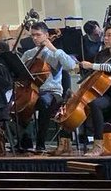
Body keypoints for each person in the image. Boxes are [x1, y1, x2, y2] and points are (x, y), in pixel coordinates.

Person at [17, 21, 77, 153]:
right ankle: (25, 138)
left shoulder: (56, 53)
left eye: (38, 35)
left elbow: (71, 66)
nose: (34, 38)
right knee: (17, 103)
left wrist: (53, 48)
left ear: (46, 35)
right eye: (32, 35)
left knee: (43, 102)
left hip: (52, 91)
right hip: (31, 90)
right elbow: (20, 73)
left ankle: (40, 142)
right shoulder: (29, 54)